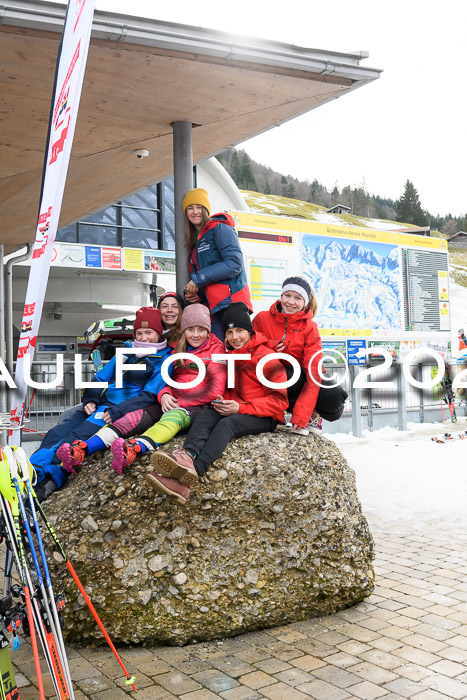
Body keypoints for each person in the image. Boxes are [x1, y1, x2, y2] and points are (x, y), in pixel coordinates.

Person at [145, 301, 288, 505]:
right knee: (206, 414)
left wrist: (240, 407)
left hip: (265, 416)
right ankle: (186, 455)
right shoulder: (228, 356)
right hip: (238, 408)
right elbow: (229, 390)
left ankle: (188, 479)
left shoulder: (267, 358)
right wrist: (224, 401)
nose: (234, 337)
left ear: (249, 331)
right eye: (229, 333)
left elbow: (279, 401)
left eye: (239, 331)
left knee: (227, 424)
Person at [32, 307, 173, 501]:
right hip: (99, 405)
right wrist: (90, 397)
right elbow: (100, 377)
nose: (144, 338)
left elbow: (149, 395)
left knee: (74, 437)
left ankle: (45, 482)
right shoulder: (127, 351)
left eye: (149, 333)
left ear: (159, 333)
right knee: (56, 432)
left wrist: (119, 411)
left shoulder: (164, 359)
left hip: (114, 410)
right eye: (139, 333)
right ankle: (31, 470)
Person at [109, 303, 227, 473]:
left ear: (208, 331)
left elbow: (214, 389)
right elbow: (166, 379)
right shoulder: (178, 349)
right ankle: (86, 447)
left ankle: (134, 447)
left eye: (200, 330)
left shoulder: (217, 350)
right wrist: (164, 394)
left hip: (197, 405)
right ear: (183, 330)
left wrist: (181, 401)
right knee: (142, 414)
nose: (195, 335)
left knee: (172, 416)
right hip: (173, 399)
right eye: (190, 329)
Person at [253, 276, 347, 434]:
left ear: (305, 303)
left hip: (301, 377)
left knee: (333, 395)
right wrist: (270, 351)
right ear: (281, 296)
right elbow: (249, 349)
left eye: (297, 298)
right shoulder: (262, 318)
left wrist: (302, 416)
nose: (290, 302)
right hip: (273, 377)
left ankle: (312, 414)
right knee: (286, 375)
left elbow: (313, 370)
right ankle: (276, 414)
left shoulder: (310, 327)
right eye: (287, 295)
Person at [182, 188, 252, 340]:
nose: (195, 212)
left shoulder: (219, 227)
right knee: (217, 355)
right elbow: (208, 276)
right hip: (213, 307)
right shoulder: (195, 242)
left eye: (199, 207)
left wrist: (198, 279)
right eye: (190, 208)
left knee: (234, 353)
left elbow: (234, 263)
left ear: (206, 209)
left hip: (231, 303)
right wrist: (196, 294)